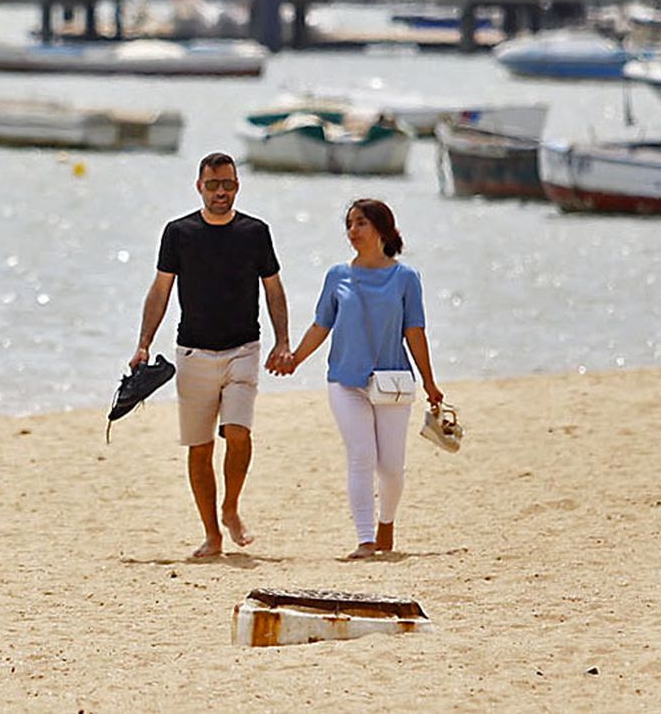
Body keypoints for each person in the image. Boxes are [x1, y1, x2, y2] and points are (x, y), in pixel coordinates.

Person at [130, 152, 290, 558]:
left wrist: (282, 341)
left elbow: (273, 289)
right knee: (199, 448)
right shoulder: (178, 233)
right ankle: (212, 535)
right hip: (193, 351)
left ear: (238, 186)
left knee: (238, 432)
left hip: (243, 348)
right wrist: (144, 343)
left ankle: (231, 507)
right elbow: (160, 290)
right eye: (213, 184)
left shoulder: (256, 232)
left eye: (229, 184)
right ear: (199, 186)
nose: (221, 192)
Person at [277, 199, 443, 560]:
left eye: (361, 223)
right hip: (345, 380)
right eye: (349, 224)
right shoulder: (337, 276)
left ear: (382, 229)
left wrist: (429, 382)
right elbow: (322, 325)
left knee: (391, 468)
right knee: (361, 455)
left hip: (393, 382)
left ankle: (387, 523)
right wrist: (294, 360)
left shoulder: (406, 278)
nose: (353, 231)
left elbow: (415, 331)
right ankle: (366, 539)